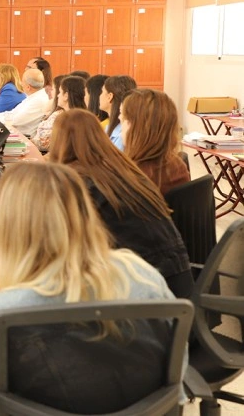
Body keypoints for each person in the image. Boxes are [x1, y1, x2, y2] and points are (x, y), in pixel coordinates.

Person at [0, 162, 177, 412]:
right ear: (83, 212)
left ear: (10, 226)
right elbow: (176, 363)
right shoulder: (142, 274)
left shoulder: (13, 308)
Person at [48, 109, 193, 299]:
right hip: (174, 284)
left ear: (59, 143)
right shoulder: (124, 170)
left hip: (145, 294)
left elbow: (61, 248)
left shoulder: (79, 183)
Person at [121, 89, 190, 194]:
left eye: (124, 118)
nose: (119, 119)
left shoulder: (133, 177)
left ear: (137, 128)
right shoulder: (177, 165)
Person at [0, 68, 49, 136]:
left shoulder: (38, 100)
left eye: (23, 81)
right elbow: (13, 113)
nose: (21, 83)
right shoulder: (33, 97)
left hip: (23, 138)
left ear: (28, 87)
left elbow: (15, 120)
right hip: (15, 132)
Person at [30, 75, 86, 152]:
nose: (57, 95)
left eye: (60, 92)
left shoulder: (64, 118)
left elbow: (45, 144)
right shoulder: (79, 116)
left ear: (66, 96)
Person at [100, 75, 137, 150]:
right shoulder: (108, 127)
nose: (99, 96)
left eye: (102, 92)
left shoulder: (122, 135)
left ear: (109, 96)